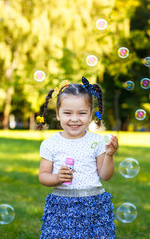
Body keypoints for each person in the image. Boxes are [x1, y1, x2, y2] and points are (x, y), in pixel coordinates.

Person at [38, 77, 118, 239]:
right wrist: (56, 178)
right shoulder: (50, 143)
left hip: (93, 204)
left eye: (82, 113)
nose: (74, 119)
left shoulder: (96, 141)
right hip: (62, 205)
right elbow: (43, 176)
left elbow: (105, 176)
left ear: (90, 115)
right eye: (67, 113)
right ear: (58, 114)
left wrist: (109, 155)